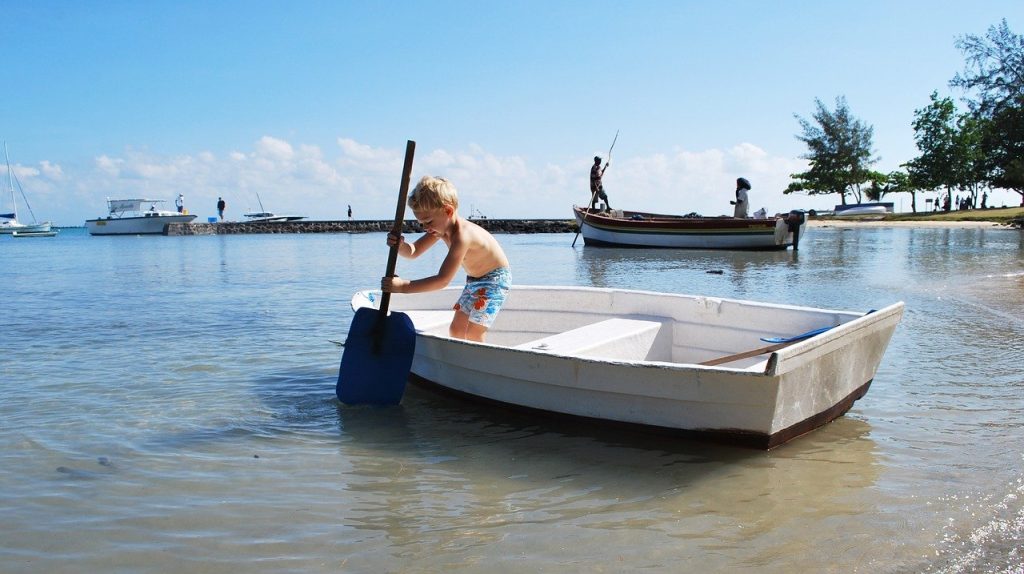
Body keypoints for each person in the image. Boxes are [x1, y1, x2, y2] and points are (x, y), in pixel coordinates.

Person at [381, 176, 511, 343]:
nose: (425, 228)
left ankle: (477, 364)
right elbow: (413, 252)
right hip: (474, 281)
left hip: (495, 281)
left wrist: (403, 287)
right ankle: (460, 361)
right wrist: (399, 245)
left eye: (428, 221)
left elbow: (442, 280)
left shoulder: (463, 236)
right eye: (421, 224)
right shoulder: (440, 229)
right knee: (455, 329)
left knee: (474, 333)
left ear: (448, 211)